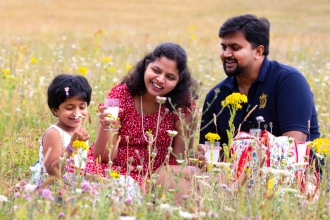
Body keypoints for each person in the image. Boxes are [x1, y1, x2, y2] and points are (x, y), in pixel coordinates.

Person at [85, 42, 200, 204]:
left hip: (156, 176)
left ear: (179, 80)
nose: (160, 80)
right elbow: (103, 157)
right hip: (114, 170)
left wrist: (189, 124)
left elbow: (179, 160)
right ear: (147, 65)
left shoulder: (182, 106)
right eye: (156, 70)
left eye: (170, 77)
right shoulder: (121, 94)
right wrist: (107, 128)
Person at [198, 14, 320, 162]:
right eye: (224, 47)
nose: (226, 54)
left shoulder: (288, 81)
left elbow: (292, 147)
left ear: (258, 51)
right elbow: (210, 154)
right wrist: (205, 157)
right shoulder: (216, 96)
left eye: (235, 48)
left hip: (294, 178)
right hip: (232, 180)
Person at [30, 74, 92, 185]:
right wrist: (72, 145)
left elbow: (78, 169)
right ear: (55, 110)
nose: (77, 113)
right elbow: (54, 172)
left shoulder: (80, 133)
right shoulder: (54, 134)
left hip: (73, 186)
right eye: (69, 108)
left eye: (82, 107)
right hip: (52, 190)